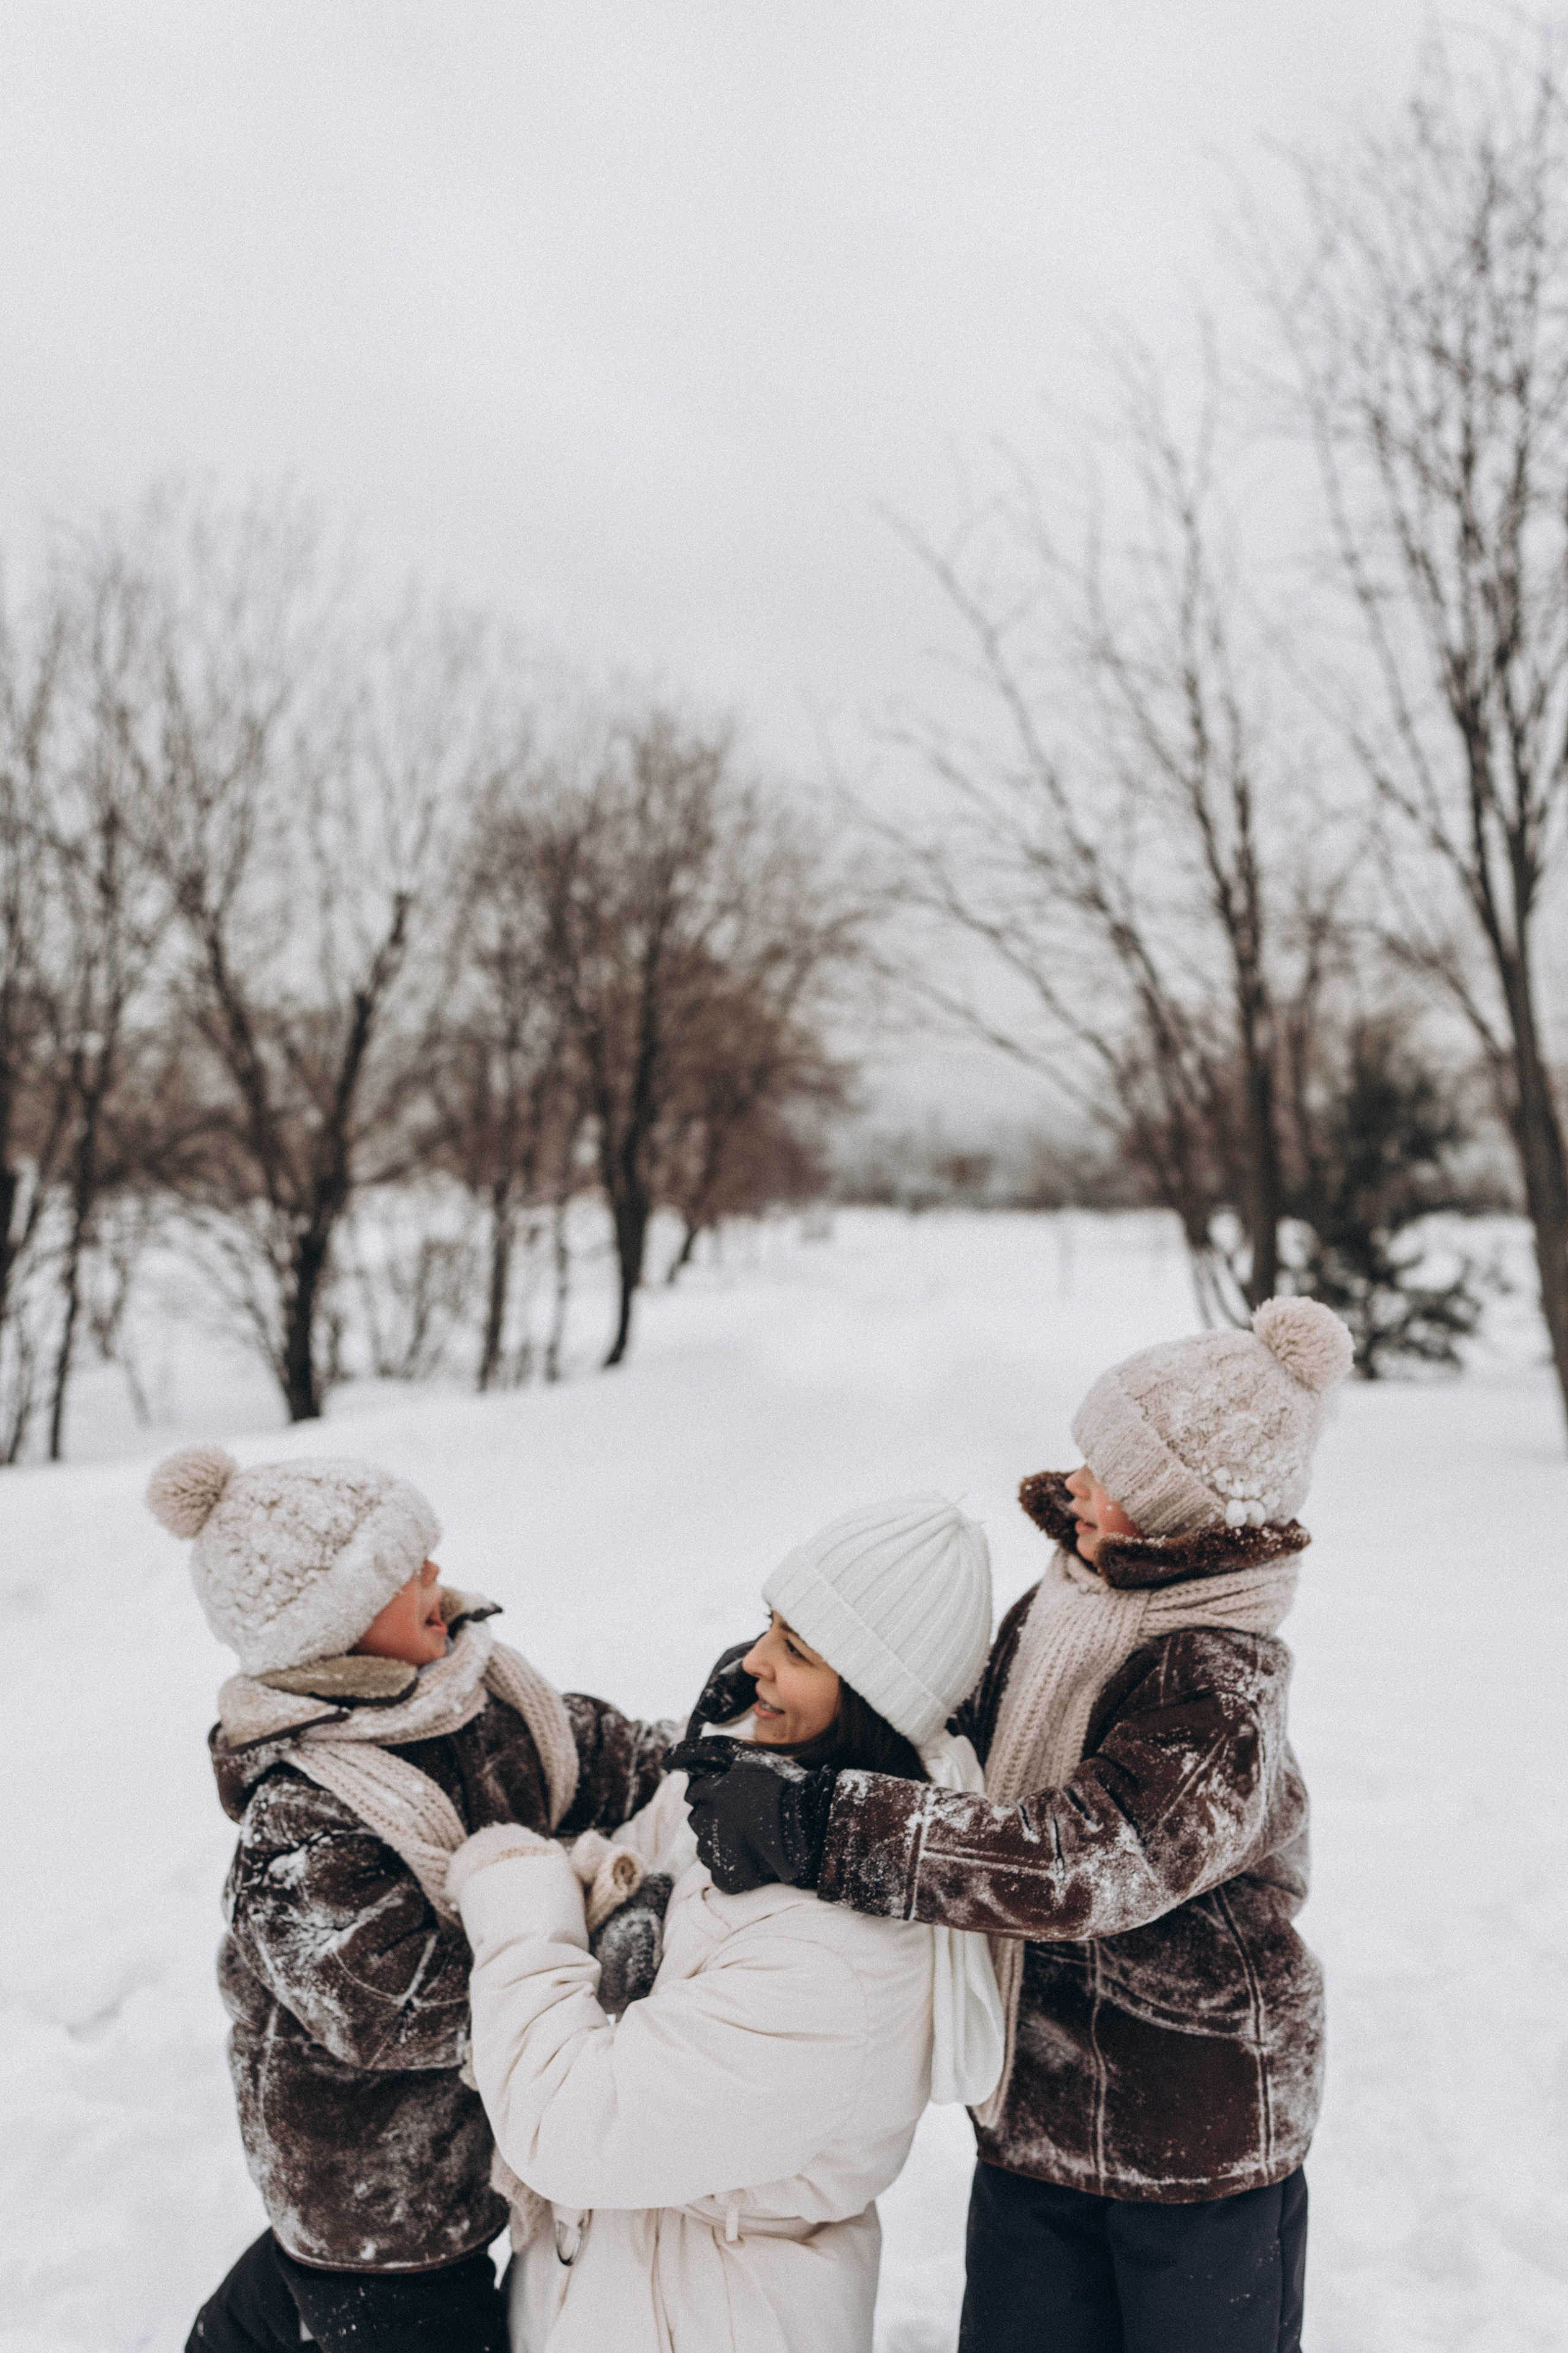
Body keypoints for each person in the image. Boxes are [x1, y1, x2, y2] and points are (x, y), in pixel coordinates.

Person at [682, 1296, 1354, 2353]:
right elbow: (958, 1752)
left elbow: (1080, 1863)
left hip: (1192, 2139)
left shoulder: (1220, 1688)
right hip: (1035, 2111)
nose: (1079, 1483)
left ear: (1188, 1517)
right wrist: (803, 1702)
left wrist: (821, 1822)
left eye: (1114, 1473)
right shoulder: (1066, 1605)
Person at [146, 1444, 675, 2353]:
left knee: (288, 2291)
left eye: (424, 1549)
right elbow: (391, 2005)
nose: (435, 1571)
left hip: (454, 2155)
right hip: (373, 2205)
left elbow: (610, 1760)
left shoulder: (480, 1700)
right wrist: (588, 1951)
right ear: (330, 1631)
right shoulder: (303, 1813)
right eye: (400, 1570)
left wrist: (731, 1746)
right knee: (378, 2305)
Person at [450, 1492, 1003, 2353]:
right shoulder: (767, 1799)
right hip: (622, 2291)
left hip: (702, 2314)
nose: (754, 1661)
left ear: (872, 1694)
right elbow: (637, 1860)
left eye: (796, 1649)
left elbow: (570, 2121)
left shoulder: (837, 1961)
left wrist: (517, 1892)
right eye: (768, 1625)